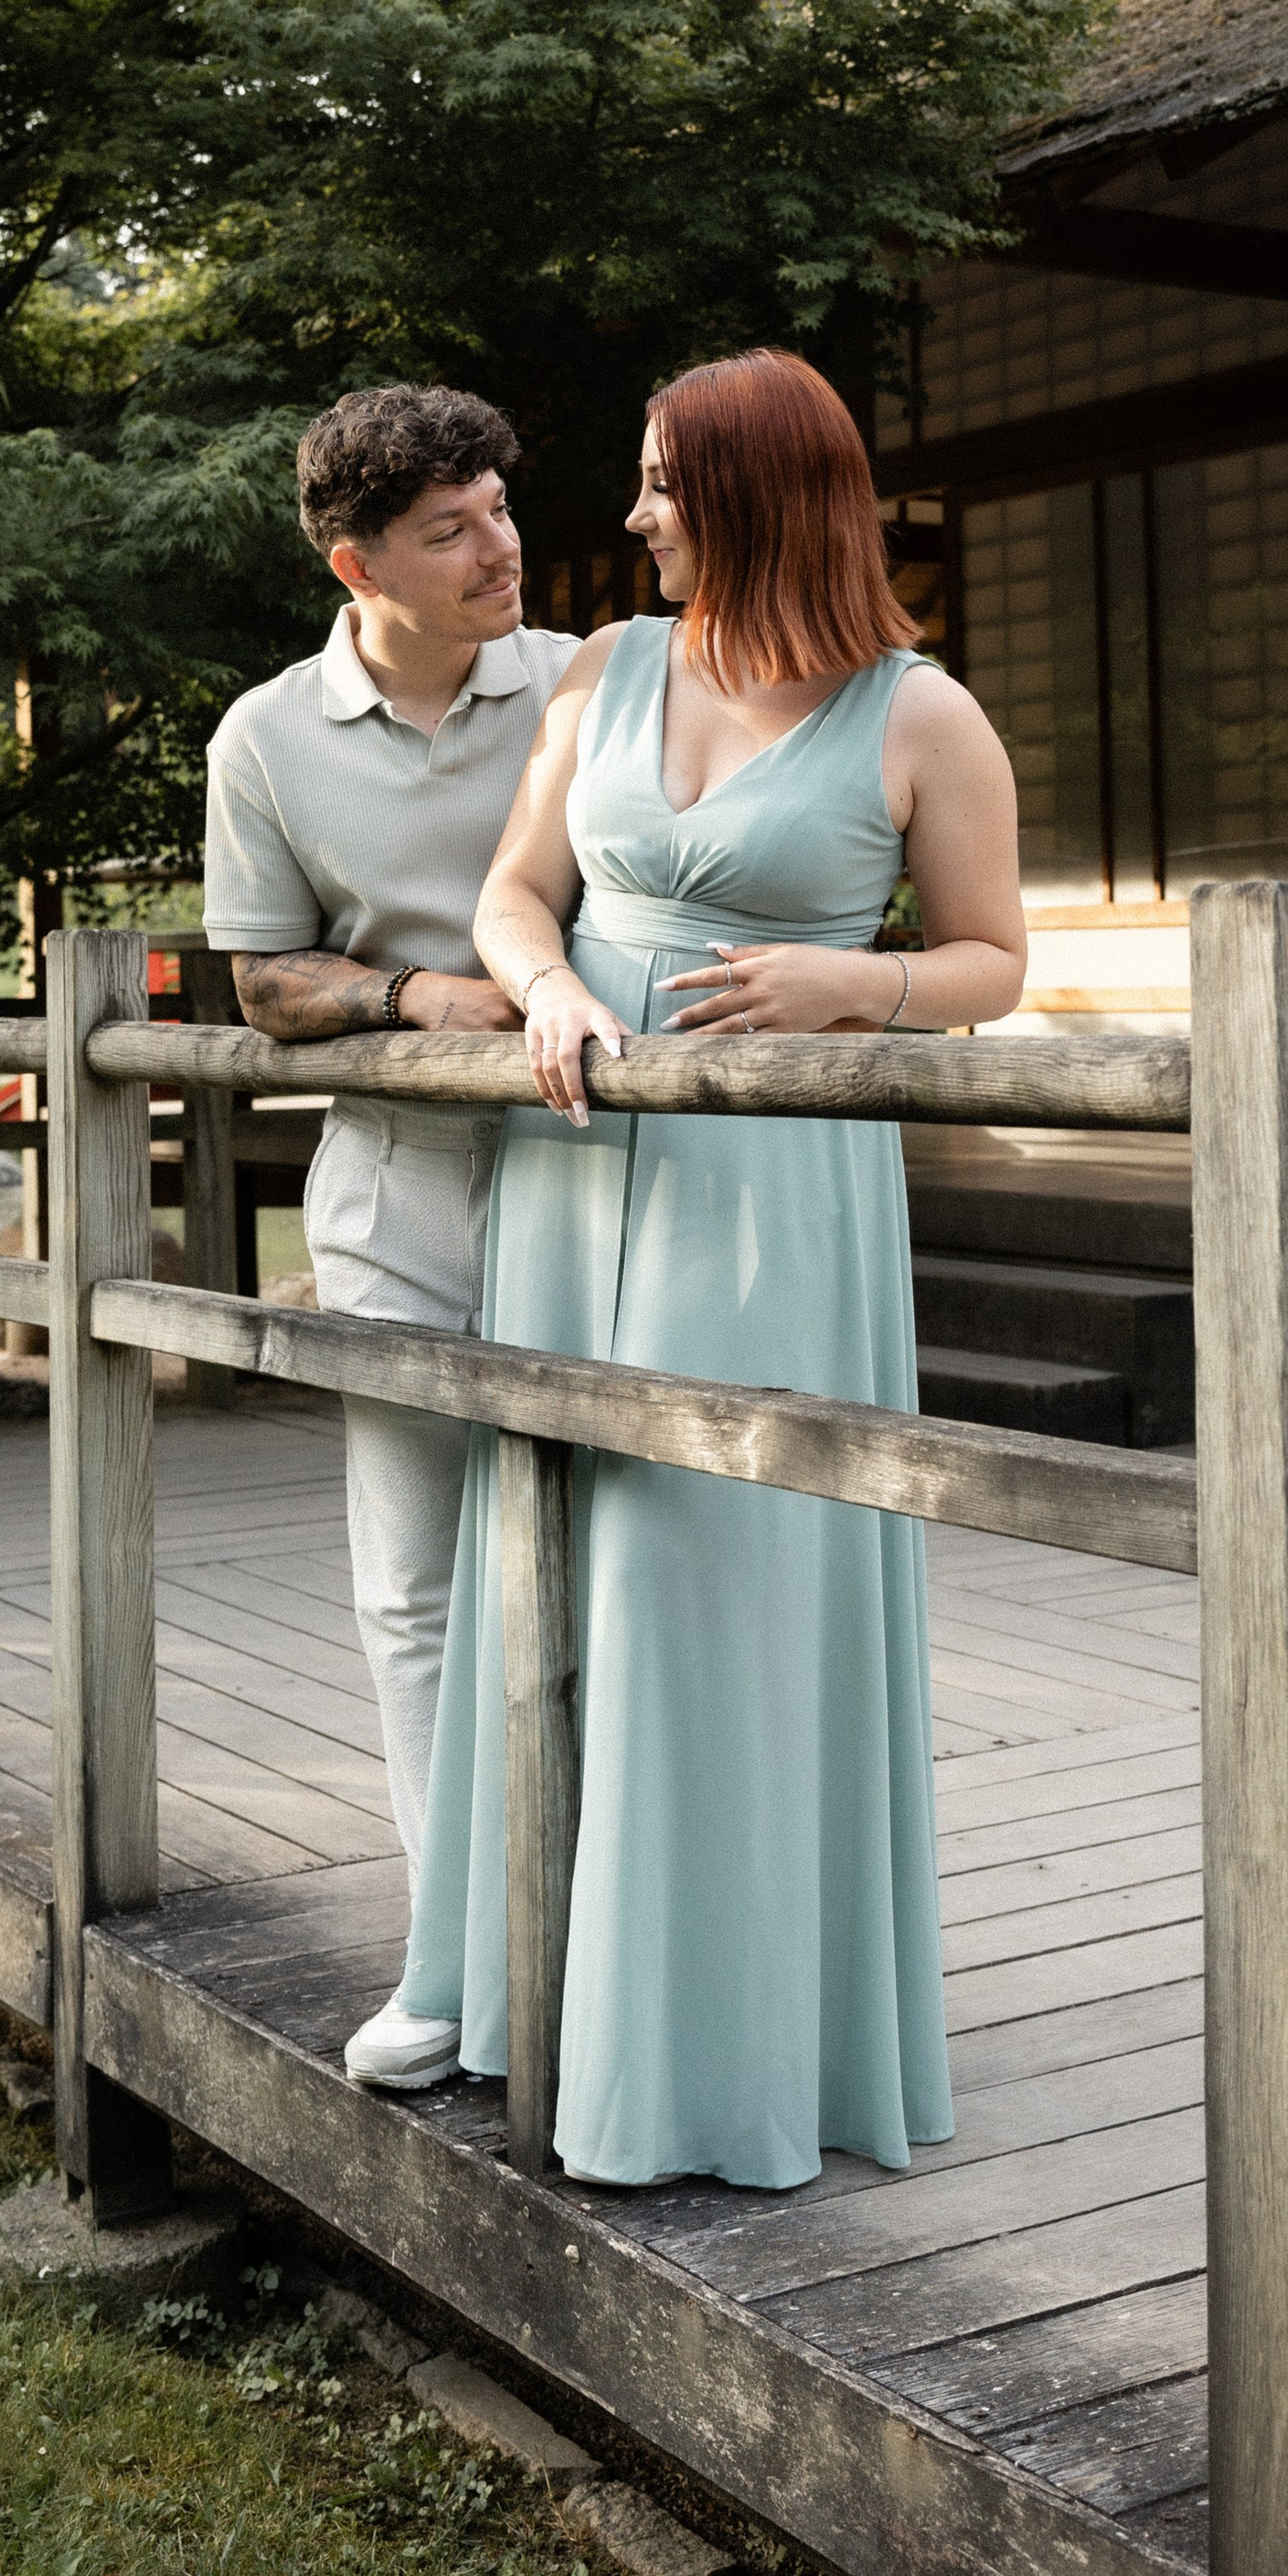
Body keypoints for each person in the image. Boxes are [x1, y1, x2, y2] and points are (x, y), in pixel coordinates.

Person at [399, 347, 1028, 2189]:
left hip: (771, 1201)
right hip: (572, 1166)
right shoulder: (601, 669)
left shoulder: (923, 719)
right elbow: (514, 892)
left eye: (663, 480)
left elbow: (995, 964)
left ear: (752, 496)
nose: (631, 512)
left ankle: (718, 2061)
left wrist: (865, 983)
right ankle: (531, 2000)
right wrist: (550, 986)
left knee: (711, 1587)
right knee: (554, 1564)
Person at [201, 384, 576, 2089]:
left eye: (500, 508)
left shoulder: (584, 679)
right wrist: (425, 996)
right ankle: (456, 1964)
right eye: (452, 529)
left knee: (605, 1562)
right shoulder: (265, 737)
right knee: (417, 1583)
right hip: (396, 1183)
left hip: (600, 1167)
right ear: (358, 563)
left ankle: (609, 1943)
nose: (499, 545)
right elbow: (265, 980)